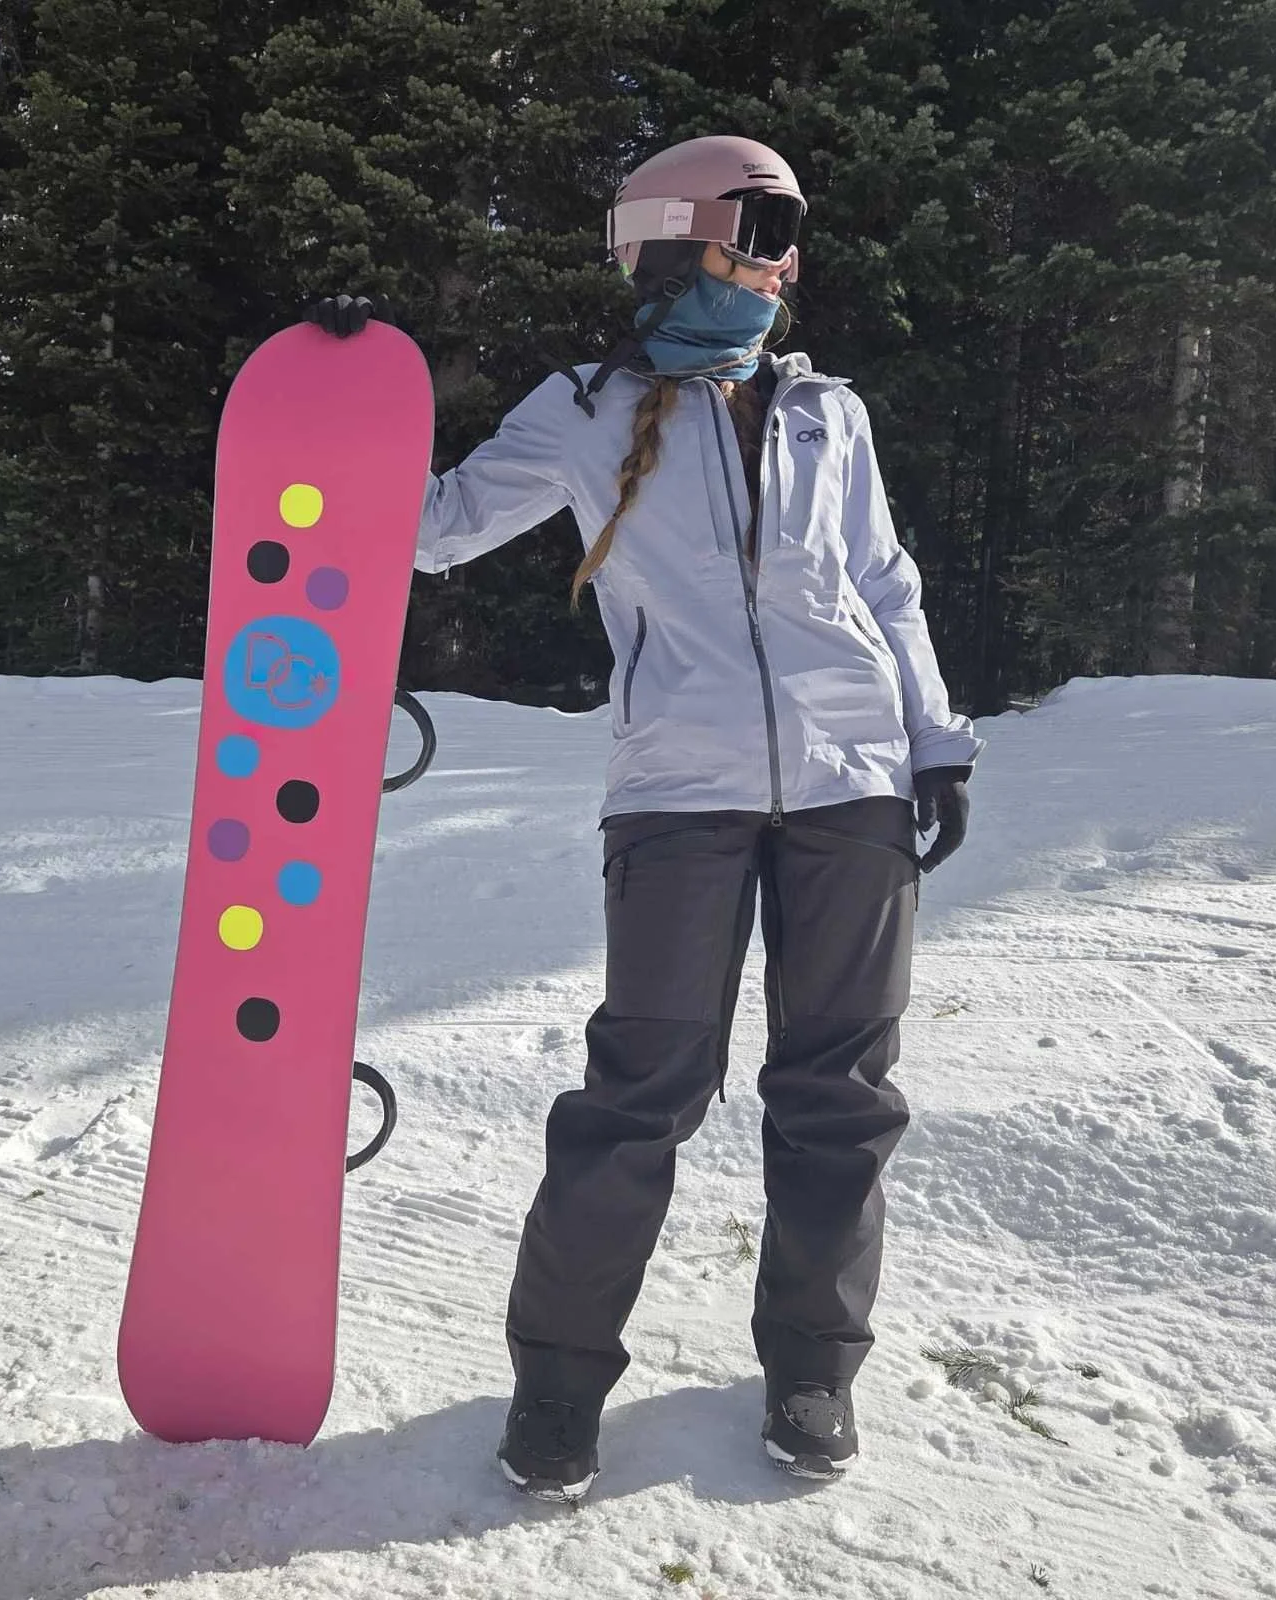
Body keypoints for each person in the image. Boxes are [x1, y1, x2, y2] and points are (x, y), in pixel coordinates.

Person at [308, 134, 980, 1499]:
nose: (784, 261)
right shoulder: (581, 410)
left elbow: (885, 586)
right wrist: (335, 408)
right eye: (765, 226)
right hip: (680, 794)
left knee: (837, 1094)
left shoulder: (824, 412)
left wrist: (934, 742)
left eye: (791, 236)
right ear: (681, 237)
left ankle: (811, 1368)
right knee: (639, 1095)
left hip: (853, 788)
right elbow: (433, 529)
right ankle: (557, 1383)